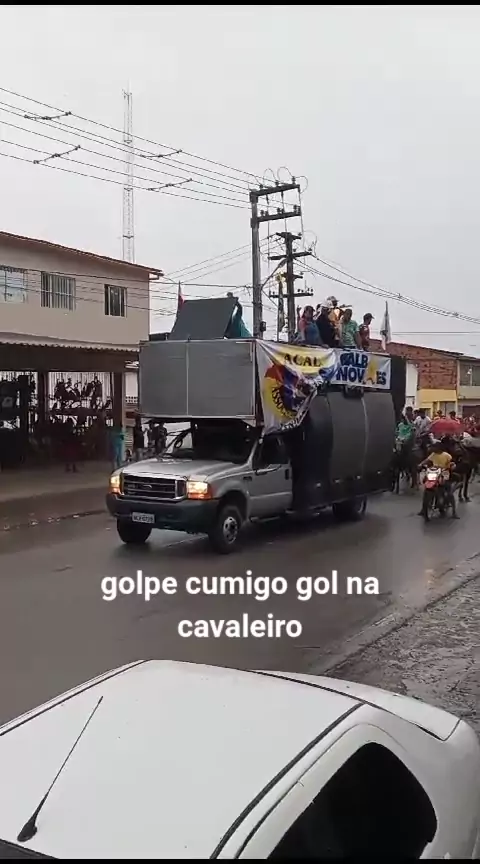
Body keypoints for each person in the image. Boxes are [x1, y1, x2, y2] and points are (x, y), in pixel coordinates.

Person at [418, 440, 459, 518]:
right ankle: (423, 509)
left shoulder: (446, 455)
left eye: (434, 447)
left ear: (439, 448)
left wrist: (452, 466)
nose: (432, 448)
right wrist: (420, 464)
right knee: (427, 489)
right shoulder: (433, 455)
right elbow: (426, 460)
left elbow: (452, 463)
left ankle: (454, 512)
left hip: (444, 473)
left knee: (449, 493)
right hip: (434, 472)